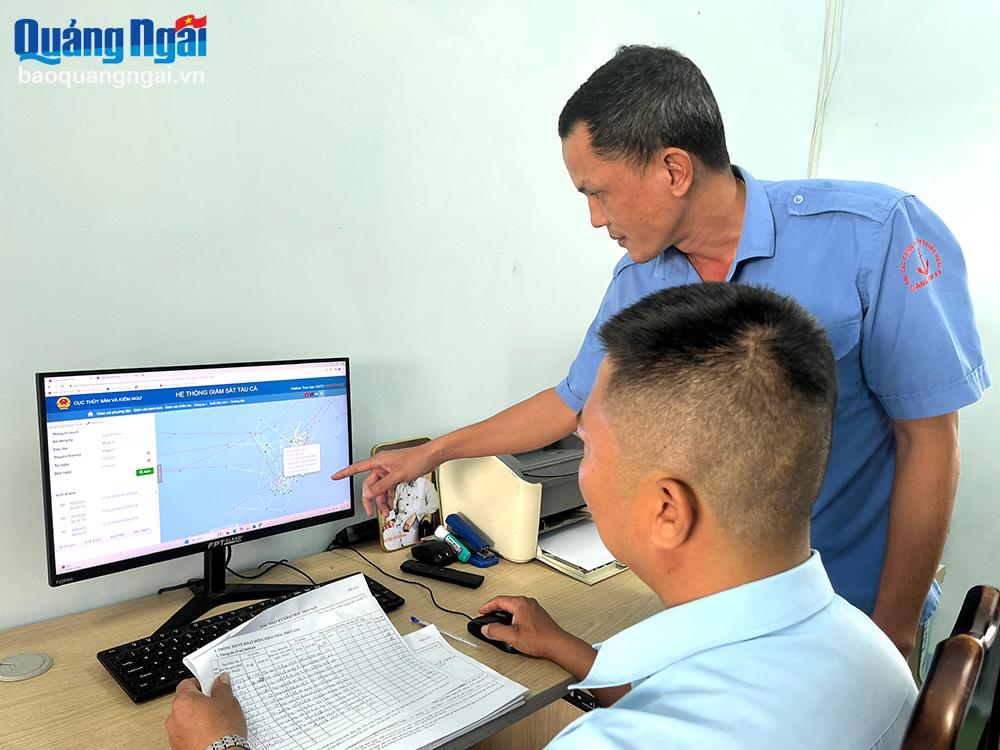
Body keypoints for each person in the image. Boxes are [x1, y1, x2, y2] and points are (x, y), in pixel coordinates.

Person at [334, 45, 989, 655]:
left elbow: (929, 440)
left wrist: (892, 631)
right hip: (716, 613)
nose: (595, 218)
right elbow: (569, 402)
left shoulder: (873, 236)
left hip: (851, 609)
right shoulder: (639, 280)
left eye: (598, 191)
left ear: (674, 169)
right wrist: (430, 452)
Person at [166, 284, 918, 749]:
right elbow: (700, 698)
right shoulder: (876, 657)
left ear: (666, 510)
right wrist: (573, 653)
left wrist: (223, 749)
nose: (579, 467)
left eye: (589, 446)